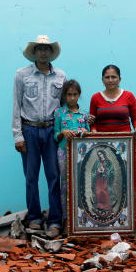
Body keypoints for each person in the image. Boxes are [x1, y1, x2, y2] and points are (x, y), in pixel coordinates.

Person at [12, 34, 66, 238]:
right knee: (31, 177)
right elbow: (16, 105)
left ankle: (54, 220)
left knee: (54, 176)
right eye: (40, 49)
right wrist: (18, 135)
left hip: (52, 131)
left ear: (51, 52)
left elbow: (63, 107)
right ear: (34, 52)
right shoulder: (22, 75)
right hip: (29, 130)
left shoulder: (60, 76)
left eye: (47, 49)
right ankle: (34, 217)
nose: (43, 52)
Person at [53, 79, 92, 223]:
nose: (72, 98)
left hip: (82, 154)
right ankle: (66, 219)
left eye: (75, 94)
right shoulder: (59, 113)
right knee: (64, 184)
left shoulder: (84, 114)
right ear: (64, 95)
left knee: (82, 183)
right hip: (63, 152)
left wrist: (84, 131)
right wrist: (63, 132)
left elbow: (89, 134)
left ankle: (81, 220)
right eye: (69, 94)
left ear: (79, 95)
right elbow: (55, 135)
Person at [89, 64, 136, 139]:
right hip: (101, 142)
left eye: (113, 77)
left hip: (125, 141)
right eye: (107, 77)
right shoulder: (95, 98)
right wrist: (95, 133)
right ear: (102, 80)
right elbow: (92, 121)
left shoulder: (129, 96)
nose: (110, 80)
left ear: (119, 79)